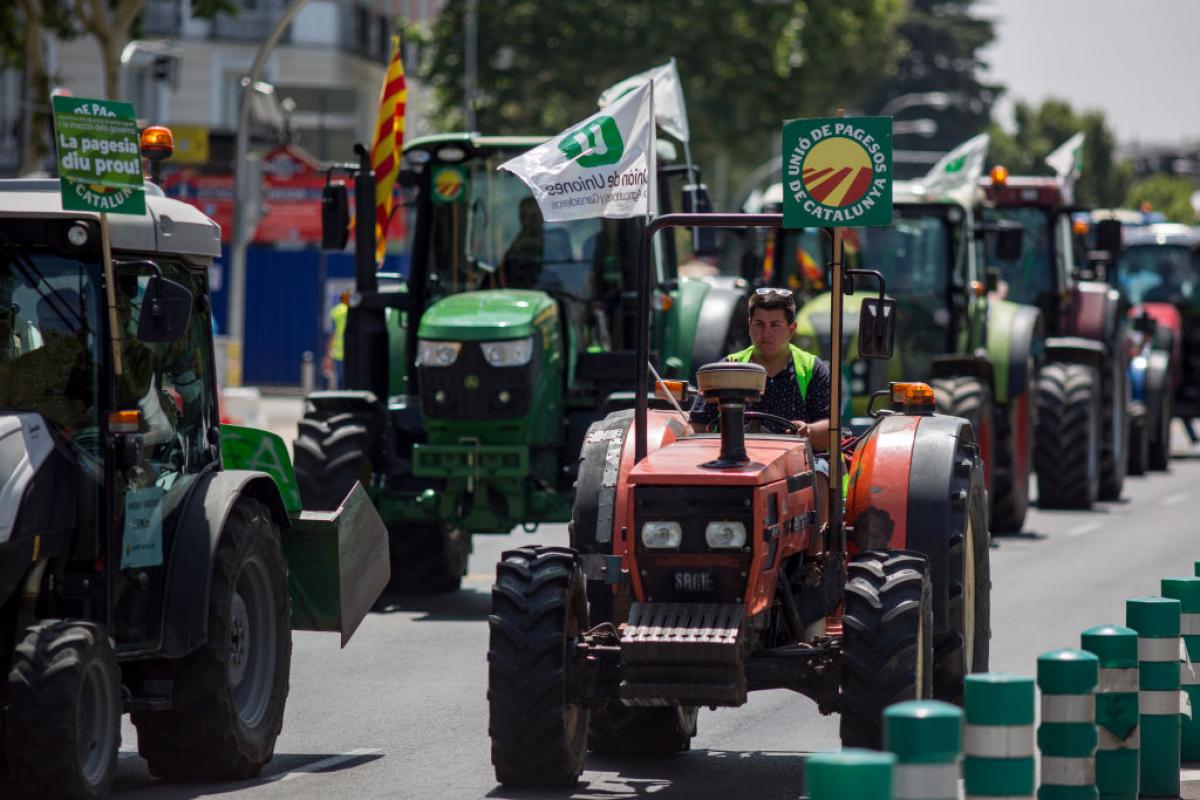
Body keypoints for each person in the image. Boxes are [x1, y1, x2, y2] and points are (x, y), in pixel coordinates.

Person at [689, 287, 831, 451]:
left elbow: (831, 429)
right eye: (760, 324)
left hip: (800, 465)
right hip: (736, 462)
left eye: (775, 325)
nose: (766, 333)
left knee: (819, 476)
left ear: (791, 329)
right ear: (750, 325)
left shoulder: (813, 369)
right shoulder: (726, 370)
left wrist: (809, 431)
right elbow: (696, 426)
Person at [501, 197, 544, 289]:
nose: (528, 222)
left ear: (541, 217)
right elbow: (505, 267)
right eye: (524, 216)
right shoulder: (513, 241)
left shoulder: (553, 240)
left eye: (533, 217)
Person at [323, 291, 348, 390]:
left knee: (341, 381)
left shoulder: (336, 312)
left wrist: (328, 355)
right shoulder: (355, 310)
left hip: (338, 352)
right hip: (353, 352)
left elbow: (332, 334)